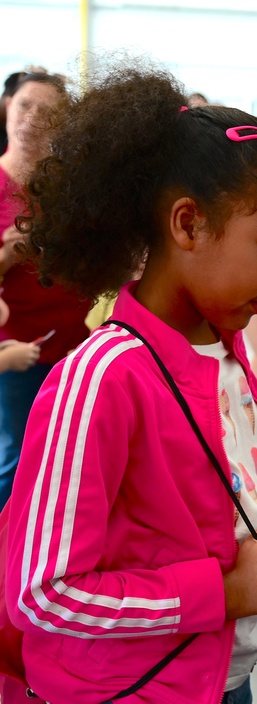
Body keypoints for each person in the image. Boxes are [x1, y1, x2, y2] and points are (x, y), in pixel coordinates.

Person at [2, 66, 257, 703]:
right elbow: (42, 594)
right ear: (188, 225)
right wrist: (227, 592)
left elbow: (192, 518)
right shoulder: (100, 381)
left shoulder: (227, 352)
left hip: (219, 680)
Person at [0, 73, 91, 509]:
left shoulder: (69, 190)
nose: (33, 118)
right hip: (15, 354)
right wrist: (6, 258)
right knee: (15, 463)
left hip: (73, 349)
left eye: (48, 112)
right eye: (24, 105)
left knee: (61, 463)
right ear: (7, 108)